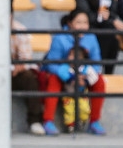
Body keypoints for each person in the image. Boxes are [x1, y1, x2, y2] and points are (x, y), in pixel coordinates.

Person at [40, 8, 107, 136]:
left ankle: (94, 122)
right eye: (78, 22)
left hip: (83, 73)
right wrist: (69, 77)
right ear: (70, 23)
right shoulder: (60, 38)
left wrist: (86, 77)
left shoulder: (91, 38)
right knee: (53, 80)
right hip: (62, 74)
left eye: (85, 23)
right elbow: (51, 64)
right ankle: (48, 121)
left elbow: (96, 62)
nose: (82, 26)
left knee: (99, 81)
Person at [11, 11, 45, 136]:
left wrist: (16, 68)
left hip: (13, 73)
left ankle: (35, 121)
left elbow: (26, 59)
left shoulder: (19, 29)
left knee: (29, 78)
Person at [62, 46, 95, 132]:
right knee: (69, 110)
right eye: (69, 55)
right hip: (68, 93)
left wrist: (85, 82)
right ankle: (70, 126)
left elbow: (94, 76)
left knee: (84, 109)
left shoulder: (86, 68)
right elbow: (61, 72)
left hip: (82, 93)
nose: (69, 57)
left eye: (72, 55)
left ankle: (81, 120)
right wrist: (72, 79)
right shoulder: (66, 67)